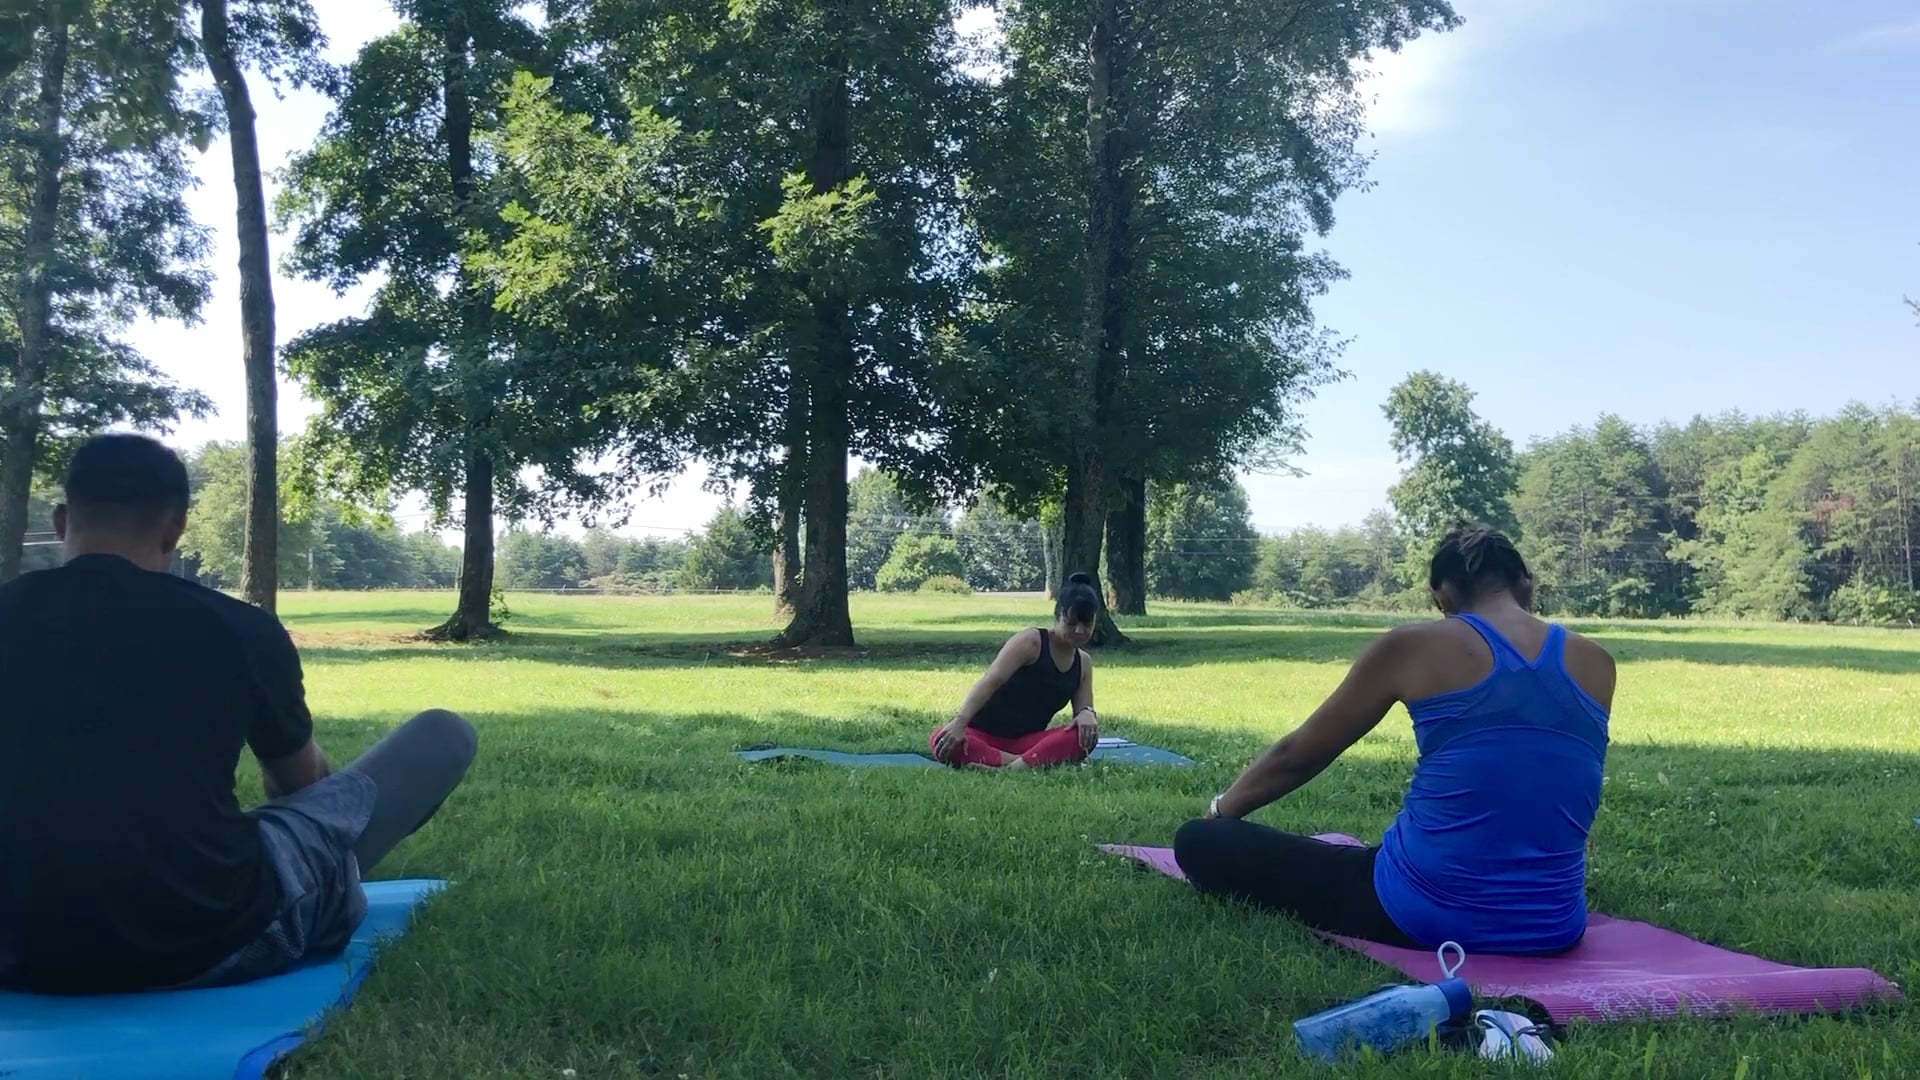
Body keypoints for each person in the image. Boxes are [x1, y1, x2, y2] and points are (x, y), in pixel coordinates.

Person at [0, 434, 479, 994]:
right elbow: (298, 786)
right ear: (176, 529)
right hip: (209, 942)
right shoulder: (239, 629)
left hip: (18, 954)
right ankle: (332, 884)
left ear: (61, 521)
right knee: (442, 736)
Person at [1173, 526, 1615, 955]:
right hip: (1554, 925)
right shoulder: (1597, 662)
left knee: (1198, 842)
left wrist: (1221, 811)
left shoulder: (1413, 644)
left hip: (1423, 913)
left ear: (1443, 597)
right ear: (1527, 584)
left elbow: (1299, 754)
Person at [931, 572, 1101, 770]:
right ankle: (1028, 763)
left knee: (1082, 738)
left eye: (1086, 624)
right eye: (1071, 624)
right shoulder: (1031, 642)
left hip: (1028, 741)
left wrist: (1088, 714)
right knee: (940, 740)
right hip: (982, 735)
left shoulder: (1083, 663)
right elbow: (990, 680)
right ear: (1058, 616)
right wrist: (960, 722)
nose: (1079, 631)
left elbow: (1083, 714)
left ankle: (1010, 767)